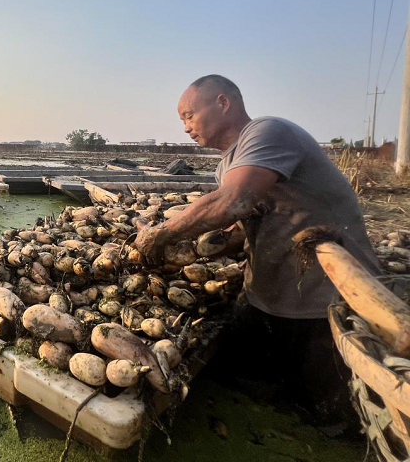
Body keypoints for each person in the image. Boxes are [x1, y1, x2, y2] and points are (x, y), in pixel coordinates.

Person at [135, 74, 381, 433]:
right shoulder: (227, 166)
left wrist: (161, 233)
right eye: (181, 120)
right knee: (247, 384)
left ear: (223, 103)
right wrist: (188, 254)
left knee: (331, 420)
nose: (185, 127)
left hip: (324, 298)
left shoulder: (268, 132)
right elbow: (240, 226)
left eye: (189, 115)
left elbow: (235, 200)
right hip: (269, 295)